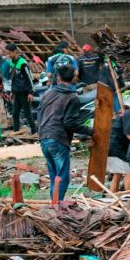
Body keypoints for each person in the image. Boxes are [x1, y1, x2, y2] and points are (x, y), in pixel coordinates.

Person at [38, 65, 93, 201]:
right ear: (74, 78)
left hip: (44, 137)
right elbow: (70, 123)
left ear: (58, 77)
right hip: (57, 138)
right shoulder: (72, 97)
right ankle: (57, 206)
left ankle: (54, 205)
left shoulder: (47, 93)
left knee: (54, 176)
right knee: (63, 177)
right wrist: (90, 131)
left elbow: (39, 115)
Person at [5, 43, 36, 133]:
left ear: (15, 52)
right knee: (15, 113)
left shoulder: (22, 63)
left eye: (9, 53)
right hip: (16, 92)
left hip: (24, 92)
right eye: (7, 53)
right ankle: (16, 131)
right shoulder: (11, 62)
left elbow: (29, 77)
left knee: (27, 113)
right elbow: (12, 78)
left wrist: (31, 92)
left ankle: (34, 131)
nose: (8, 55)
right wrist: (12, 91)